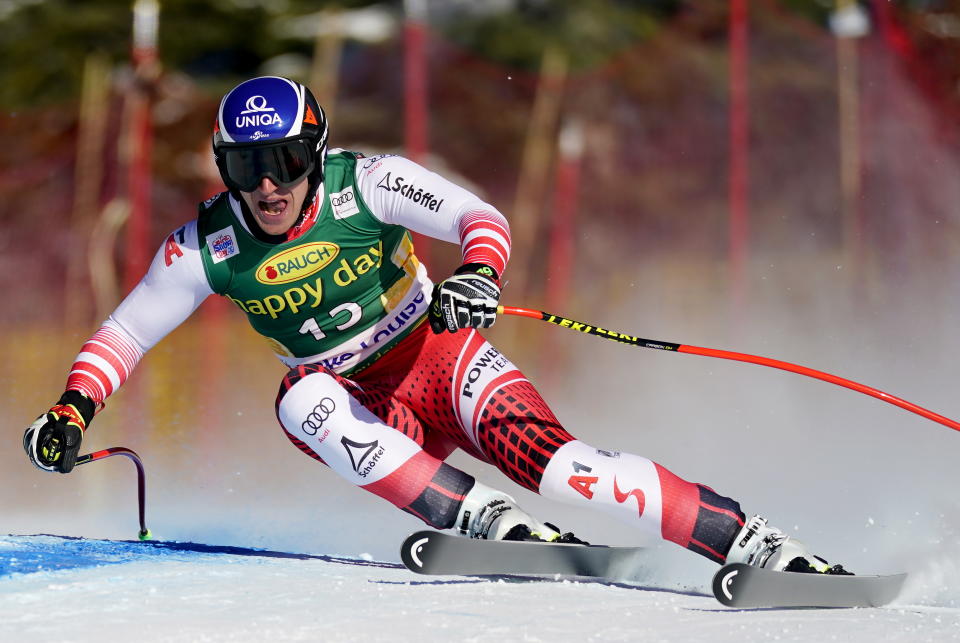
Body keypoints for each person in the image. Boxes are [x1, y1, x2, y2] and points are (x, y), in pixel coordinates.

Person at [24, 76, 847, 574]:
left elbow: (477, 218)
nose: (267, 186)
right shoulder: (208, 243)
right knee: (297, 398)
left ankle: (754, 542)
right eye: (245, 167)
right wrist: (71, 409)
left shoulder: (369, 183)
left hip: (440, 356)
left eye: (283, 164)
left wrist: (479, 276)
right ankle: (482, 520)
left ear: (315, 153)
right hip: (358, 401)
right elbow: (124, 335)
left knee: (568, 475)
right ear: (225, 167)